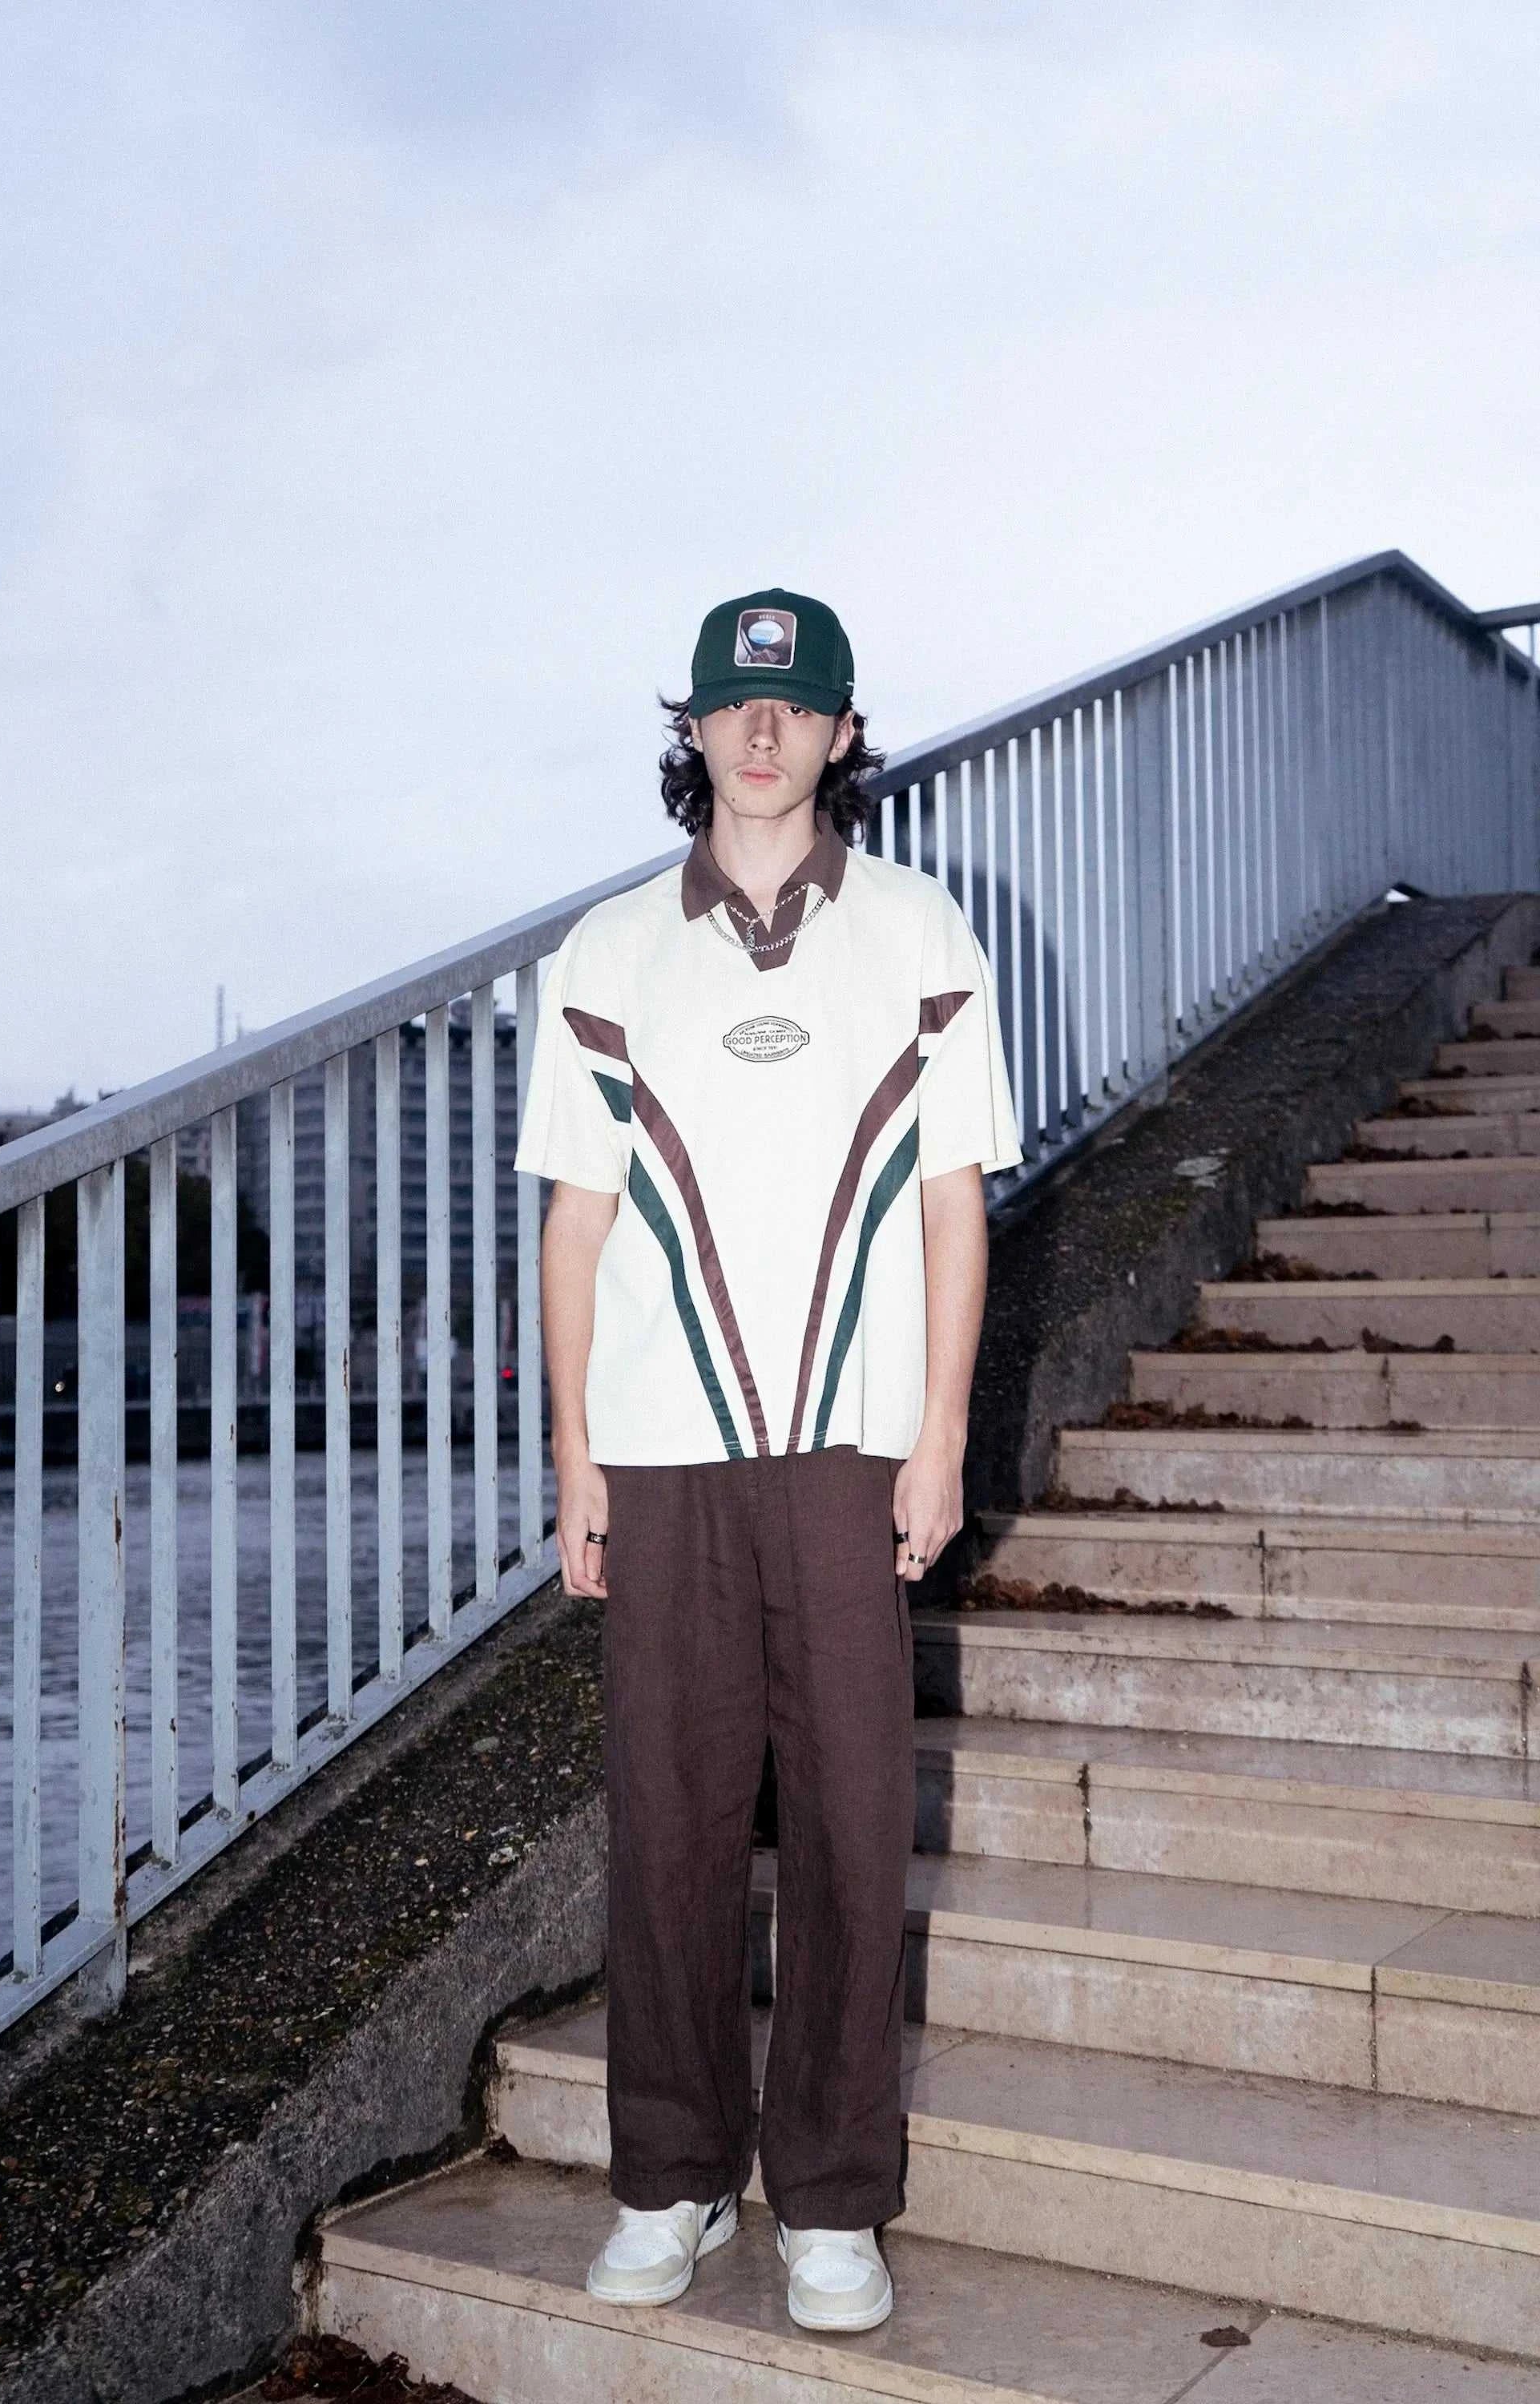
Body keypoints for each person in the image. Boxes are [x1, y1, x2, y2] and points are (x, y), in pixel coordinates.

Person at [513, 586, 1020, 2333]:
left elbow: (956, 1209)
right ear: (695, 729)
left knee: (853, 1825)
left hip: (847, 1451)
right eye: (733, 707)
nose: (760, 733)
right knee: (663, 1827)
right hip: (659, 1462)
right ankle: (667, 2180)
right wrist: (574, 1458)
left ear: (840, 733)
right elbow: (574, 1233)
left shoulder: (922, 931)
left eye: (791, 708)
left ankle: (828, 2203)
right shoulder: (603, 954)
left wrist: (940, 1434)